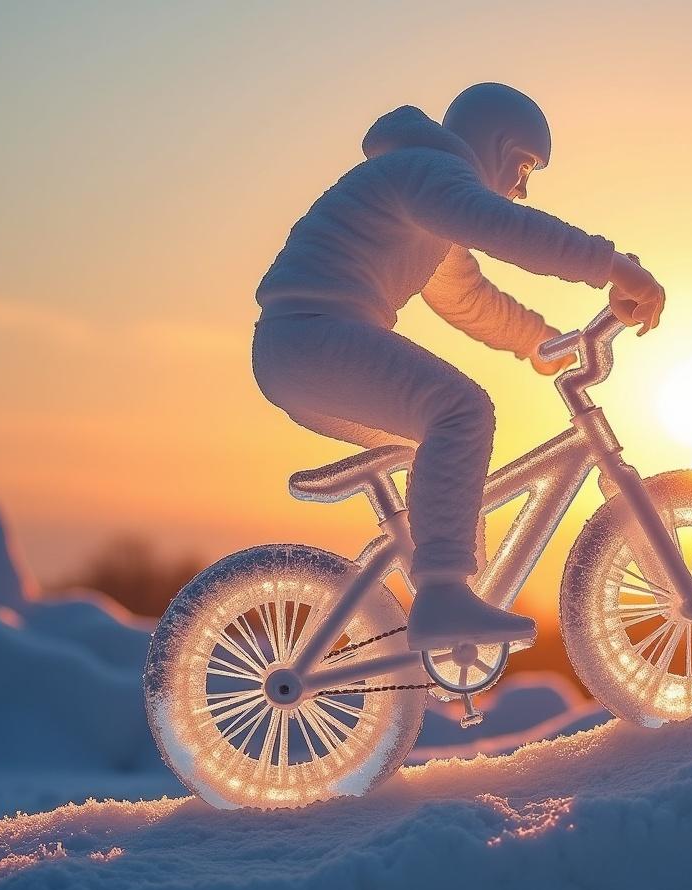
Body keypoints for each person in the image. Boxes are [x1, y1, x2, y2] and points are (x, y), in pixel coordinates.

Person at [252, 82, 665, 652]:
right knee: (461, 410)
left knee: (450, 463)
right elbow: (508, 230)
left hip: (302, 347)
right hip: (314, 337)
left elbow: (465, 297)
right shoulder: (426, 173)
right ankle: (442, 595)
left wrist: (540, 342)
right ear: (495, 145)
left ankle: (453, 595)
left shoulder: (423, 192)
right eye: (523, 166)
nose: (521, 189)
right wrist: (613, 266)